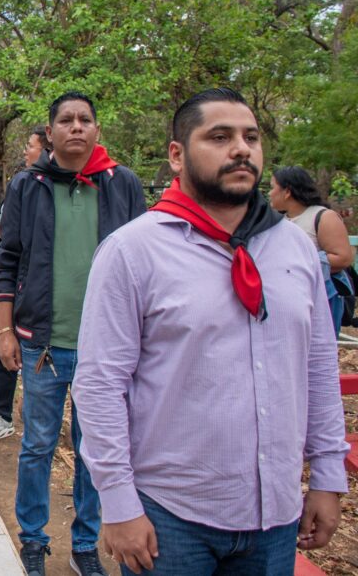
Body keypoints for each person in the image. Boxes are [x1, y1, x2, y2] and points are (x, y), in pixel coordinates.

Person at [73, 88, 349, 576]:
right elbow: (99, 385)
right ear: (177, 155)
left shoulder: (296, 252)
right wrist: (117, 503)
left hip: (275, 513)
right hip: (170, 516)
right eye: (219, 137)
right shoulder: (133, 251)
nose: (241, 149)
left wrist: (328, 474)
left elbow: (318, 366)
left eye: (251, 137)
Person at [0, 92, 146, 576]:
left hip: (109, 350)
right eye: (65, 120)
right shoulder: (28, 185)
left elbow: (147, 264)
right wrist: (5, 330)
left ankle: (85, 546)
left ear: (97, 130)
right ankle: (33, 542)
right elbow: (8, 259)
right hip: (43, 346)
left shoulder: (122, 185)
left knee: (95, 449)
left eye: (85, 120)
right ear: (51, 132)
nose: (76, 127)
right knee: (37, 445)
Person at [0, 124, 52, 447]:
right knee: (6, 353)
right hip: (20, 291)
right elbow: (5, 245)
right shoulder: (22, 186)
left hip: (48, 298)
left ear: (47, 148)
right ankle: (1, 416)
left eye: (30, 146)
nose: (25, 151)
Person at [269, 165, 355, 333]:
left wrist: (296, 261)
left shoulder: (322, 216)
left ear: (287, 192)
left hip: (322, 295)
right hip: (290, 296)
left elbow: (342, 258)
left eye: (273, 188)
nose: (270, 194)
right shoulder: (281, 221)